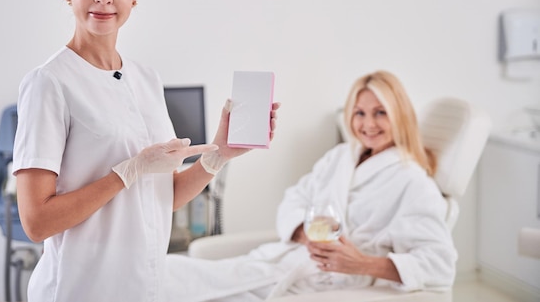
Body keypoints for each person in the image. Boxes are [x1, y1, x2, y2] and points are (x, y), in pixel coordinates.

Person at [0, 0, 279, 302]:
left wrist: (218, 155)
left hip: (142, 287)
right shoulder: (48, 83)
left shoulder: (146, 79)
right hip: (79, 290)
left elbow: (159, 198)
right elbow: (36, 223)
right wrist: (127, 172)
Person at [163, 70, 457, 301]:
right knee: (169, 273)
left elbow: (440, 264)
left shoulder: (413, 181)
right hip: (288, 261)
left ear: (399, 116)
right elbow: (295, 199)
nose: (368, 124)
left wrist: (362, 263)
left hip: (329, 284)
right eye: (360, 112)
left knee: (176, 281)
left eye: (380, 112)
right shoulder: (342, 157)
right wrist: (305, 235)